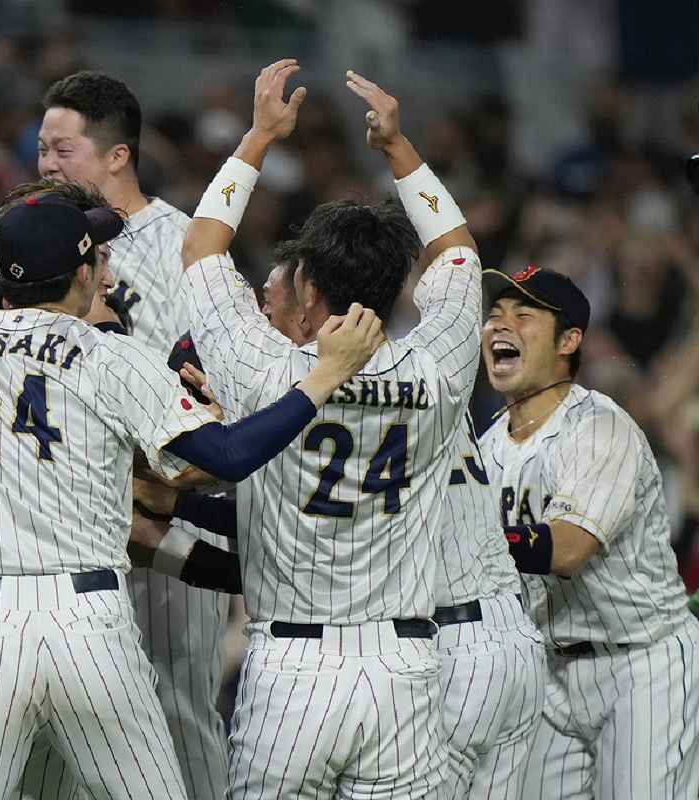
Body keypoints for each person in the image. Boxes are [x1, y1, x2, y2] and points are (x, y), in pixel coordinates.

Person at [0, 191, 385, 799]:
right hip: (91, 624)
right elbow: (229, 456)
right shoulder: (112, 356)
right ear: (85, 273)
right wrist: (323, 375)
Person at [181, 62, 480, 797]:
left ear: (307, 290)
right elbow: (460, 250)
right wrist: (399, 148)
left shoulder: (263, 367)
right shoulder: (438, 365)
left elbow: (202, 249)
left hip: (294, 671)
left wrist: (256, 139)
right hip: (405, 668)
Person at [38, 70, 228, 798]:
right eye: (42, 149)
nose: (47, 163)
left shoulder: (185, 246)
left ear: (117, 156)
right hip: (66, 514)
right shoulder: (38, 238)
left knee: (177, 705)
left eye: (63, 149)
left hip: (162, 504)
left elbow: (212, 386)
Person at [478, 264, 699, 798]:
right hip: (549, 674)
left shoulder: (600, 427)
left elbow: (568, 547)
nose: (500, 325)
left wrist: (473, 543)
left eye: (523, 315)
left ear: (569, 340)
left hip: (641, 666)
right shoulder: (487, 447)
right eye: (495, 314)